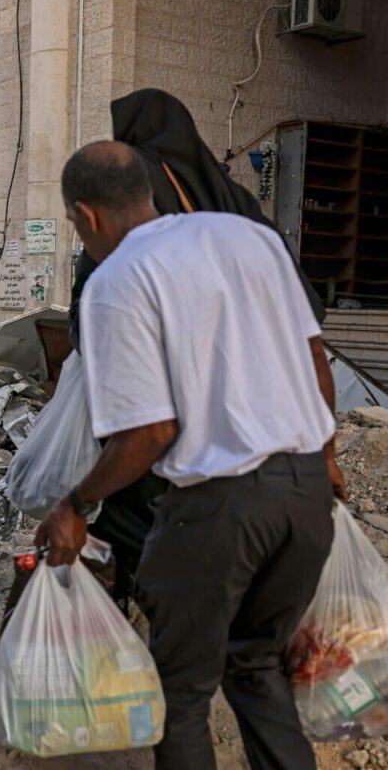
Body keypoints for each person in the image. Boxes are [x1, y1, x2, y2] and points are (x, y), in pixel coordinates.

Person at [37, 141, 350, 770]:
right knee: (255, 663)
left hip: (218, 508)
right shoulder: (251, 237)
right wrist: (328, 458)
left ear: (87, 215)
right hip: (306, 492)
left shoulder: (115, 282)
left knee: (179, 684)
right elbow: (317, 361)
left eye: (79, 228)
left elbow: (149, 435)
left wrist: (76, 503)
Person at [66, 89, 327, 607]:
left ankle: (143, 608)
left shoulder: (134, 213)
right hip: (277, 437)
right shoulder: (237, 209)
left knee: (141, 504)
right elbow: (308, 328)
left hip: (184, 439)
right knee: (252, 652)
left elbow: (146, 422)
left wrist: (74, 503)